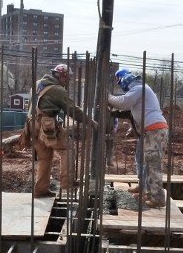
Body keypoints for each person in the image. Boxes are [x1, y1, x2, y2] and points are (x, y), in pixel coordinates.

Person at [28, 64, 97, 197]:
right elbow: (73, 110)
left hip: (31, 125)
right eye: (68, 78)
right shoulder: (57, 89)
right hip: (46, 125)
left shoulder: (37, 84)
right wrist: (91, 122)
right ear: (61, 76)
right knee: (68, 148)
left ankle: (40, 189)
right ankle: (67, 182)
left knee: (45, 157)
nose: (68, 81)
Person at [108, 69, 168, 209]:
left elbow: (123, 102)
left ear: (125, 80)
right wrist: (111, 112)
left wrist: (108, 97)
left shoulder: (139, 88)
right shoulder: (139, 91)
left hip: (155, 129)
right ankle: (144, 187)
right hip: (148, 131)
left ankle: (157, 198)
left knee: (153, 163)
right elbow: (127, 111)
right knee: (141, 159)